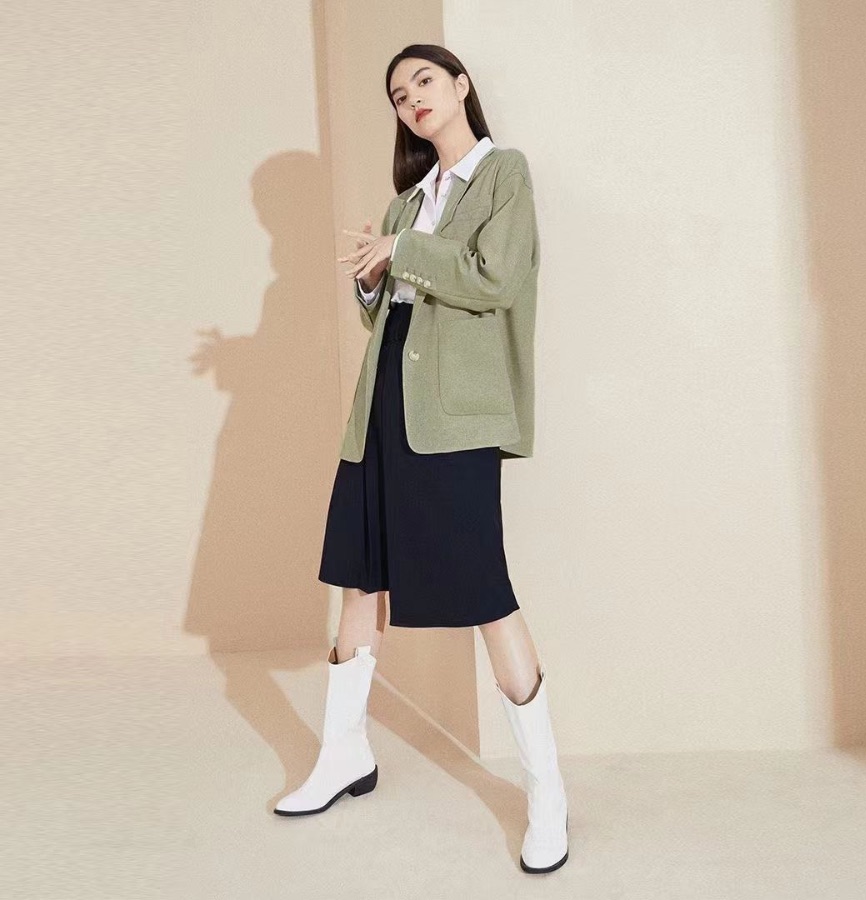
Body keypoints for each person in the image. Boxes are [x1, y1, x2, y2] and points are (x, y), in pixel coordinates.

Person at [273, 44, 568, 875]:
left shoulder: (503, 173)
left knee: (484, 590)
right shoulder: (407, 201)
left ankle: (546, 792)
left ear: (461, 84)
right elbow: (391, 319)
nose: (412, 100)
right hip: (383, 406)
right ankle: (343, 755)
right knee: (358, 575)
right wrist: (373, 279)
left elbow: (495, 278)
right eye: (399, 95)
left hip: (453, 417)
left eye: (424, 82)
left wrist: (400, 253)